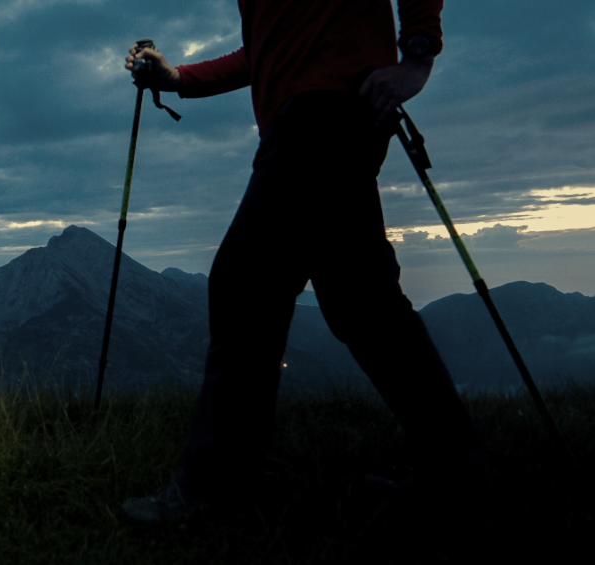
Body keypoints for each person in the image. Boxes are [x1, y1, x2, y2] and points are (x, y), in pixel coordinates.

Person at [119, 0, 492, 530]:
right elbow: (265, 53)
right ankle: (453, 477)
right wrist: (178, 77)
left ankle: (214, 495)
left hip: (320, 113)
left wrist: (419, 54)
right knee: (363, 303)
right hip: (331, 114)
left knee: (245, 287)